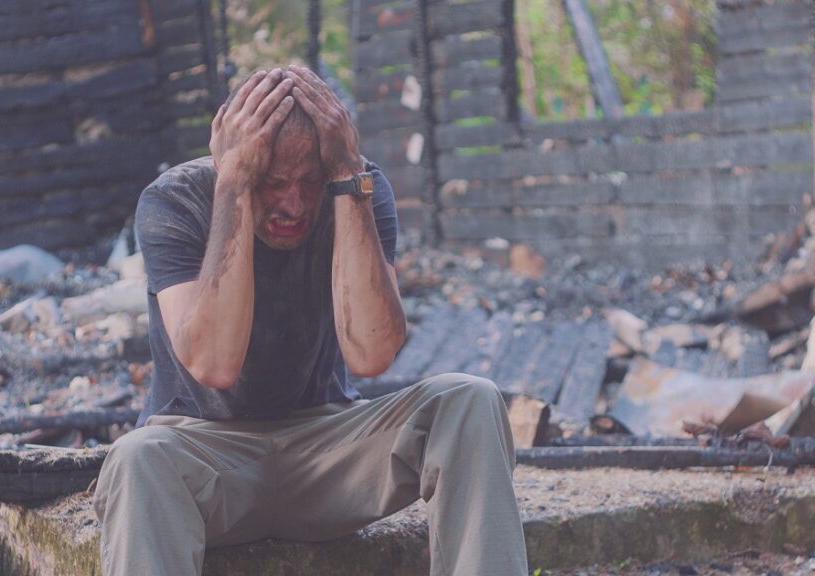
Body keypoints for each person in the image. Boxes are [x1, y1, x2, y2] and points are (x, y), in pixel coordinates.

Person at [93, 64, 528, 576]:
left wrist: (346, 178)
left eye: (309, 181)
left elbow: (371, 353)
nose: (293, 204)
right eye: (273, 183)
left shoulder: (356, 187)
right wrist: (233, 184)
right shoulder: (177, 199)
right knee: (136, 458)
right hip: (206, 461)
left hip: (328, 451)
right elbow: (212, 364)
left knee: (469, 399)